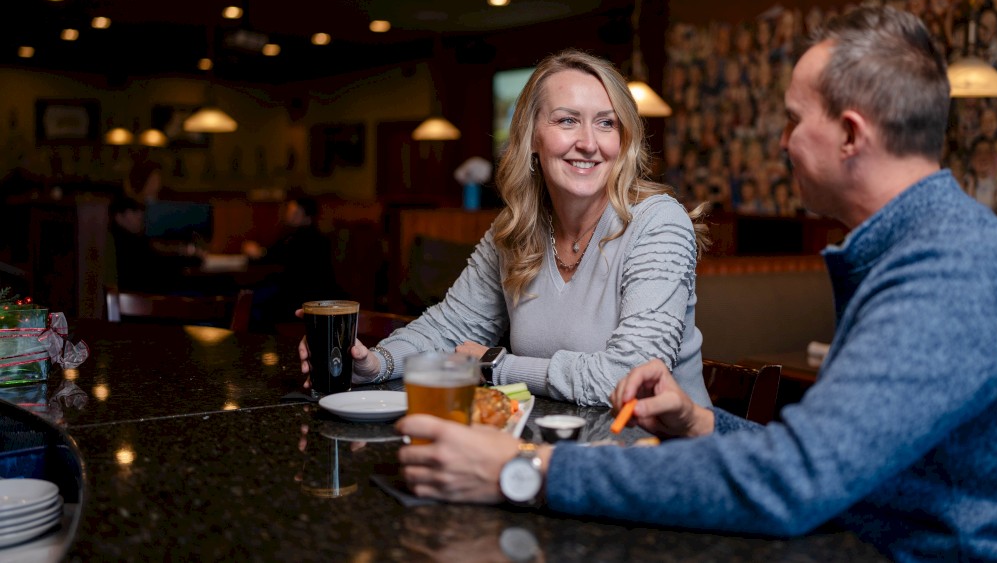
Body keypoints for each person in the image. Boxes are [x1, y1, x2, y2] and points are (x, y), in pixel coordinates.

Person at [394, 7, 997, 561]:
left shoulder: (950, 271)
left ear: (851, 135)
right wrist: (701, 422)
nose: (783, 141)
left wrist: (525, 469)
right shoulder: (920, 247)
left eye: (795, 121)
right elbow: (828, 463)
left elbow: (791, 485)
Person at [300, 49, 712, 407]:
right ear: (532, 136)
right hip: (556, 444)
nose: (589, 142)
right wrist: (376, 363)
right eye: (568, 121)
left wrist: (495, 364)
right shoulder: (516, 229)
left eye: (606, 123)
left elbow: (631, 377)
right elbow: (449, 329)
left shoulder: (659, 223)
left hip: (666, 457)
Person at [243, 196, 340, 328]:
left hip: (296, 297)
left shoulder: (305, 238)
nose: (289, 215)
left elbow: (275, 258)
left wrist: (259, 253)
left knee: (248, 302)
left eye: (293, 212)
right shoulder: (295, 234)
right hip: (297, 294)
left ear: (305, 214)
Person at [107, 196, 194, 292]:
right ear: (119, 217)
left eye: (141, 210)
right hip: (144, 298)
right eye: (134, 211)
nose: (140, 215)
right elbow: (153, 268)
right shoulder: (124, 244)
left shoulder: (131, 240)